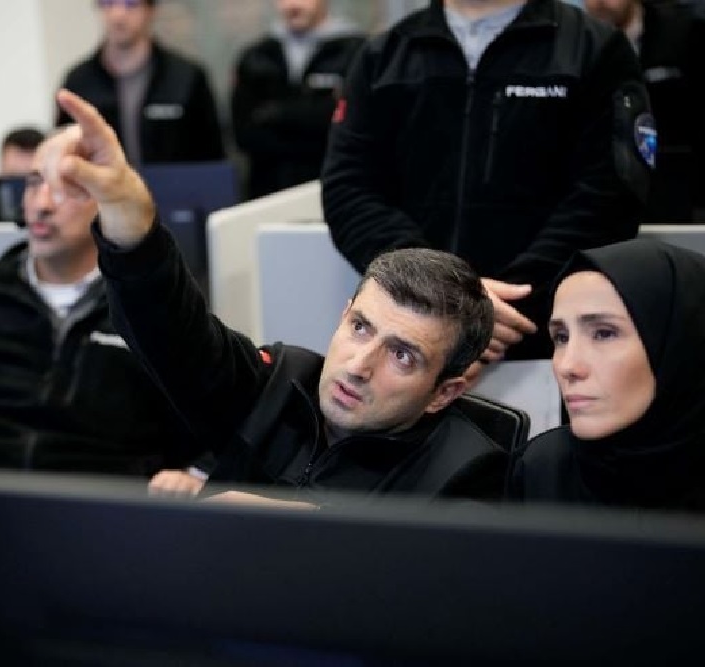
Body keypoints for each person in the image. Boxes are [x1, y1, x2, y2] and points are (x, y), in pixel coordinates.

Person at [41, 89, 510, 508]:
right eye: (360, 327)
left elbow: (418, 575)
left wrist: (302, 529)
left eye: (403, 355)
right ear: (344, 315)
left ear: (444, 393)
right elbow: (172, 330)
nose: (358, 365)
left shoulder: (469, 473)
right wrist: (126, 210)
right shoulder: (280, 385)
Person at [321, 0, 654, 371]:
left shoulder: (593, 49)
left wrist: (497, 311)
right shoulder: (383, 57)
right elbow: (349, 190)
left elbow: (610, 194)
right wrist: (440, 293)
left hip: (545, 336)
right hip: (410, 334)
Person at [0, 130, 201, 478]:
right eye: (34, 184)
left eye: (68, 188)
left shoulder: (152, 310)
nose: (42, 204)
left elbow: (209, 435)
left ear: (109, 202)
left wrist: (193, 477)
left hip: (96, 502)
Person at [510, 238, 705, 513]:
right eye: (561, 337)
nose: (567, 366)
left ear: (682, 346)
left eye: (604, 333)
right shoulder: (539, 472)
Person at [584, 0, 705, 222]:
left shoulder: (684, 33)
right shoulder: (573, 47)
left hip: (678, 193)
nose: (599, 2)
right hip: (599, 198)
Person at [54, 0, 224, 166]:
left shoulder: (186, 78)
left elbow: (213, 159)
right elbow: (65, 154)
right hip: (101, 184)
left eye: (131, 4)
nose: (118, 15)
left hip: (177, 184)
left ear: (151, 10)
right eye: (108, 3)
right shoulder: (79, 83)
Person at [231, 0, 366, 199]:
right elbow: (245, 134)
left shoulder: (356, 52)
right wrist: (314, 116)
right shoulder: (256, 57)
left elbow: (356, 126)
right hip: (269, 192)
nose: (293, 5)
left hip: (338, 189)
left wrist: (278, 114)